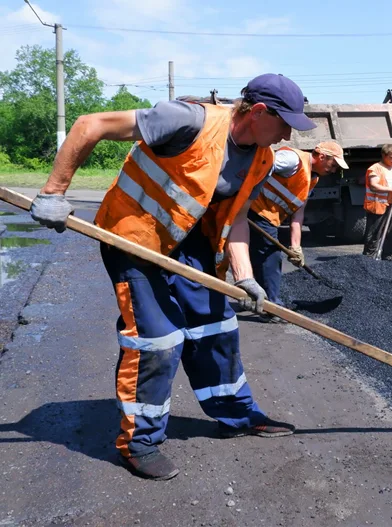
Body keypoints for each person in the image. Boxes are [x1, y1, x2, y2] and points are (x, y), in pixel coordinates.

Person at [28, 73, 316, 481]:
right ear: (257, 112)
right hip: (134, 239)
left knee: (218, 327)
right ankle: (139, 442)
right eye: (284, 122)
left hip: (188, 244)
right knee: (158, 339)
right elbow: (89, 124)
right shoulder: (187, 120)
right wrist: (54, 192)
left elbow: (235, 222)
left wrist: (245, 276)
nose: (289, 132)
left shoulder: (262, 157)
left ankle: (236, 415)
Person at [248, 141, 347, 316]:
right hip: (253, 209)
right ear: (322, 156)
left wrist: (296, 247)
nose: (333, 170)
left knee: (259, 256)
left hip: (269, 217)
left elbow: (298, 214)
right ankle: (273, 307)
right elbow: (257, 166)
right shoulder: (293, 160)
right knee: (271, 256)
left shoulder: (312, 178)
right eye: (333, 165)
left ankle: (255, 299)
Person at [363, 144, 392, 261]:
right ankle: (369, 257)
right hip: (378, 205)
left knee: (391, 232)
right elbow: (373, 185)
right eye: (391, 157)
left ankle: (387, 256)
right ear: (384, 155)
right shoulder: (375, 168)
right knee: (374, 233)